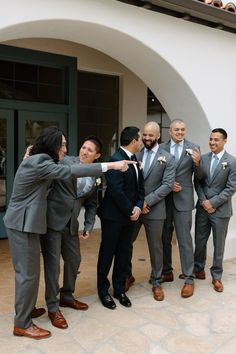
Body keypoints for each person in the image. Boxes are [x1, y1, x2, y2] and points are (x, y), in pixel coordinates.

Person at [3, 126, 135, 340]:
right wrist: (110, 165)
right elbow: (72, 170)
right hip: (23, 223)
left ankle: (26, 311)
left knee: (31, 273)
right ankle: (23, 323)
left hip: (35, 223)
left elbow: (90, 202)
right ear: (52, 145)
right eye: (62, 144)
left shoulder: (38, 159)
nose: (66, 148)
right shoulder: (42, 162)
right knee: (29, 275)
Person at [40, 135, 104, 330]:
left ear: (97, 156)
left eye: (89, 150)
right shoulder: (65, 161)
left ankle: (67, 296)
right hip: (53, 222)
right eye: (83, 147)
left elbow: (92, 204)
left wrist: (88, 224)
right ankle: (52, 307)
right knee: (53, 266)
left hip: (71, 225)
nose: (84, 151)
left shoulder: (96, 176)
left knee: (74, 260)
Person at [126, 121, 175, 301]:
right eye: (144, 135)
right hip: (135, 209)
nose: (147, 138)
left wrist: (147, 201)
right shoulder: (134, 155)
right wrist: (137, 203)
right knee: (127, 243)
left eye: (150, 135)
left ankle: (156, 281)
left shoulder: (168, 158)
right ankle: (127, 276)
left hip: (155, 210)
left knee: (156, 247)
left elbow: (168, 185)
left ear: (158, 136)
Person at [97, 126, 144, 309]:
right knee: (107, 254)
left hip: (130, 216)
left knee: (123, 254)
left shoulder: (135, 160)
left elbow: (141, 187)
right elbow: (116, 191)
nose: (140, 142)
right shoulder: (115, 160)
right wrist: (131, 209)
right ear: (133, 141)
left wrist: (139, 206)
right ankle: (103, 290)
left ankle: (119, 289)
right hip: (113, 217)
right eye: (139, 139)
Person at [160, 119, 201, 298]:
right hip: (163, 199)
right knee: (164, 237)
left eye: (183, 130)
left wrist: (198, 163)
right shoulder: (161, 148)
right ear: (170, 131)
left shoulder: (194, 147)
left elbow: (200, 177)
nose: (180, 132)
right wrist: (167, 185)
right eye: (176, 129)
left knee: (184, 240)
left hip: (183, 200)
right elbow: (156, 171)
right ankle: (167, 271)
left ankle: (189, 279)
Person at [194, 128, 236, 293]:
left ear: (225, 141)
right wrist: (204, 201)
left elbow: (231, 188)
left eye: (216, 140)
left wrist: (213, 203)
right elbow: (197, 182)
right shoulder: (202, 159)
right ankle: (198, 268)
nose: (212, 142)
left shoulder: (232, 161)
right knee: (200, 241)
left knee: (219, 245)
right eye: (211, 139)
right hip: (203, 208)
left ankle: (217, 276)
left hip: (221, 210)